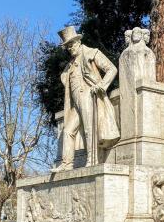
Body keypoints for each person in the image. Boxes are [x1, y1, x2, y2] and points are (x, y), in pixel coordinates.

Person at [51, 26, 119, 173]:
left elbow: (112, 69)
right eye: (67, 47)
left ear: (78, 42)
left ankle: (92, 160)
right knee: (68, 131)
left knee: (90, 128)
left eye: (71, 44)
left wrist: (102, 85)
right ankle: (67, 164)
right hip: (75, 103)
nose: (69, 48)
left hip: (89, 95)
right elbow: (67, 79)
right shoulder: (69, 65)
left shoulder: (91, 52)